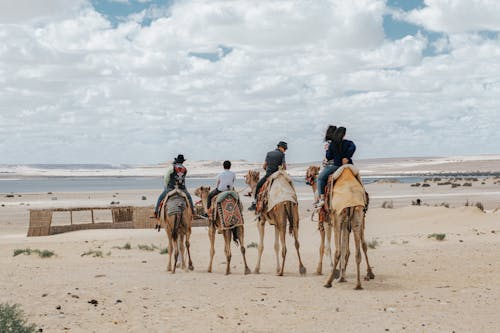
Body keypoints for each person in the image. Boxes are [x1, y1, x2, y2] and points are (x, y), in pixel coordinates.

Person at [316, 126, 355, 208]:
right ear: (344, 135)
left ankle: (322, 199)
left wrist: (327, 150)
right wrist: (347, 157)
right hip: (348, 166)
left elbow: (329, 157)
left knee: (320, 178)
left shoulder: (332, 144)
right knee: (357, 176)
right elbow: (353, 147)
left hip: (336, 166)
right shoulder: (348, 142)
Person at [248, 141, 287, 211]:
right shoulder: (282, 154)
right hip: (277, 176)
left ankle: (255, 203)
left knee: (258, 186)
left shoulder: (269, 153)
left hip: (268, 176)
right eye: (285, 148)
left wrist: (268, 171)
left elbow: (264, 166)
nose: (285, 150)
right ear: (281, 147)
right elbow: (284, 167)